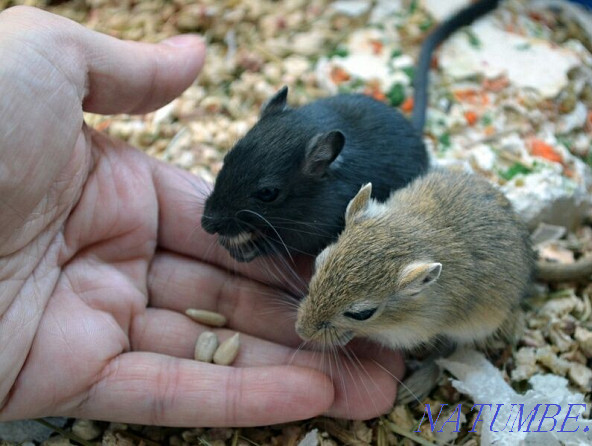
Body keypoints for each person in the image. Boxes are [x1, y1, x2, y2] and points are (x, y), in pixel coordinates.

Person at [0, 6, 403, 426]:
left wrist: (264, 244)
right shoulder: (285, 144)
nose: (210, 220)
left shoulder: (323, 192)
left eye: (266, 195)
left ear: (319, 163)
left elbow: (320, 230)